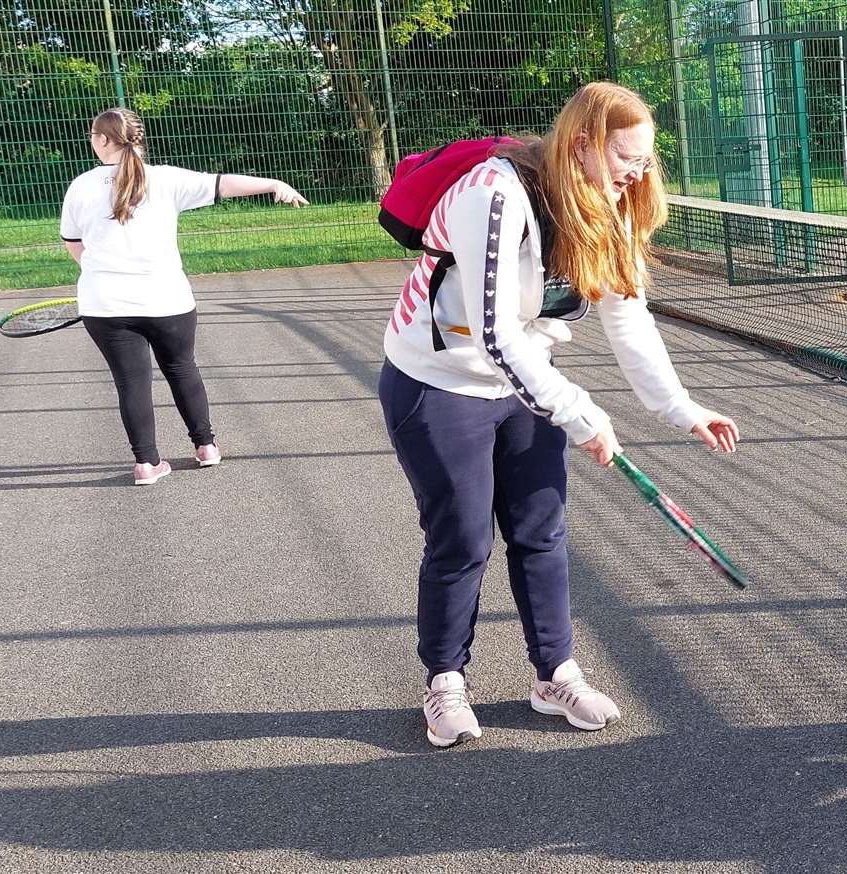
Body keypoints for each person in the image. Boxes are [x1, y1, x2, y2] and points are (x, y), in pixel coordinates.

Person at [379, 82, 741, 748]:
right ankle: (445, 681)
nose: (639, 172)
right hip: (438, 380)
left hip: (524, 383)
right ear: (582, 144)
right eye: (626, 157)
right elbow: (493, 333)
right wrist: (580, 414)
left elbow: (626, 313)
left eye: (645, 159)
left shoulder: (612, 201)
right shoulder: (495, 193)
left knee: (540, 531)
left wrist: (680, 407)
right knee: (463, 540)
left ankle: (554, 674)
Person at [60, 107, 310, 485]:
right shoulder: (166, 179)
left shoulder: (81, 185)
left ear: (104, 140)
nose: (92, 141)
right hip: (167, 299)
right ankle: (206, 446)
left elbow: (74, 244)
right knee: (182, 368)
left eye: (93, 135)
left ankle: (146, 464)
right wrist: (274, 183)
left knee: (131, 381)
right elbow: (223, 183)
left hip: (104, 303)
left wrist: (99, 275)